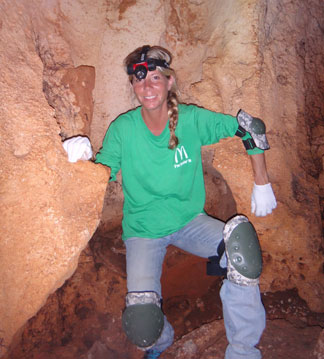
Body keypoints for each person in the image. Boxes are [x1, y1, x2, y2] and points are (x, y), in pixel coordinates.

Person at [63, 45, 277, 359]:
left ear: (169, 81)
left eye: (154, 78)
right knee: (142, 326)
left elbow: (249, 128)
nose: (147, 87)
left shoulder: (190, 120)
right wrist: (81, 163)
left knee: (241, 248)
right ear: (133, 86)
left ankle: (243, 351)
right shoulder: (124, 129)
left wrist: (262, 182)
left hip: (189, 222)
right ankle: (162, 343)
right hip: (143, 230)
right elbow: (103, 173)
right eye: (139, 80)